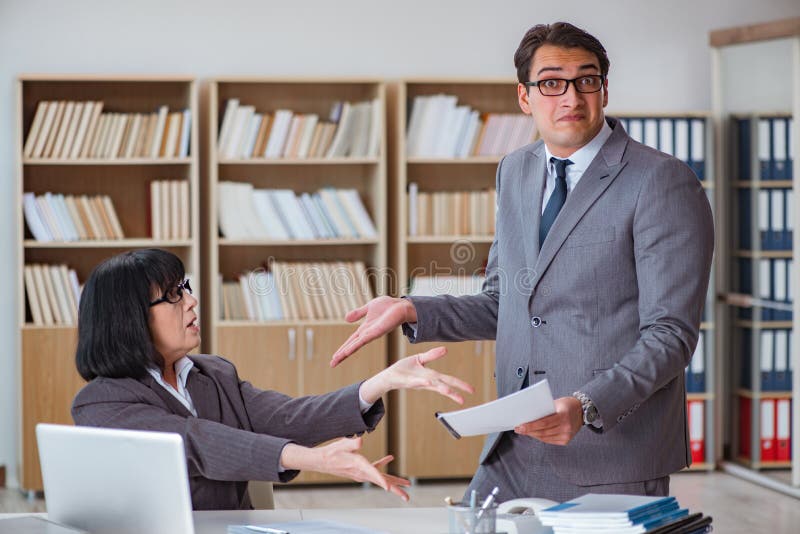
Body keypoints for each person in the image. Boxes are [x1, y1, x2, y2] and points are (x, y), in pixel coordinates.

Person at [330, 21, 714, 502]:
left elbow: (670, 335)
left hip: (608, 449)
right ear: (525, 97)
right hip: (513, 444)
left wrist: (586, 405)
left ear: (605, 89)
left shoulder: (659, 181)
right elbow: (504, 302)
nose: (571, 98)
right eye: (552, 83)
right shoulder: (516, 170)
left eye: (586, 80)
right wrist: (412, 309)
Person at [71, 248, 472, 510]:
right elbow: (197, 442)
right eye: (174, 295)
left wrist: (379, 383)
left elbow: (288, 418)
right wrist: (316, 460)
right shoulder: (101, 401)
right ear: (129, 318)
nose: (191, 300)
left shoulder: (213, 373)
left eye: (186, 288)